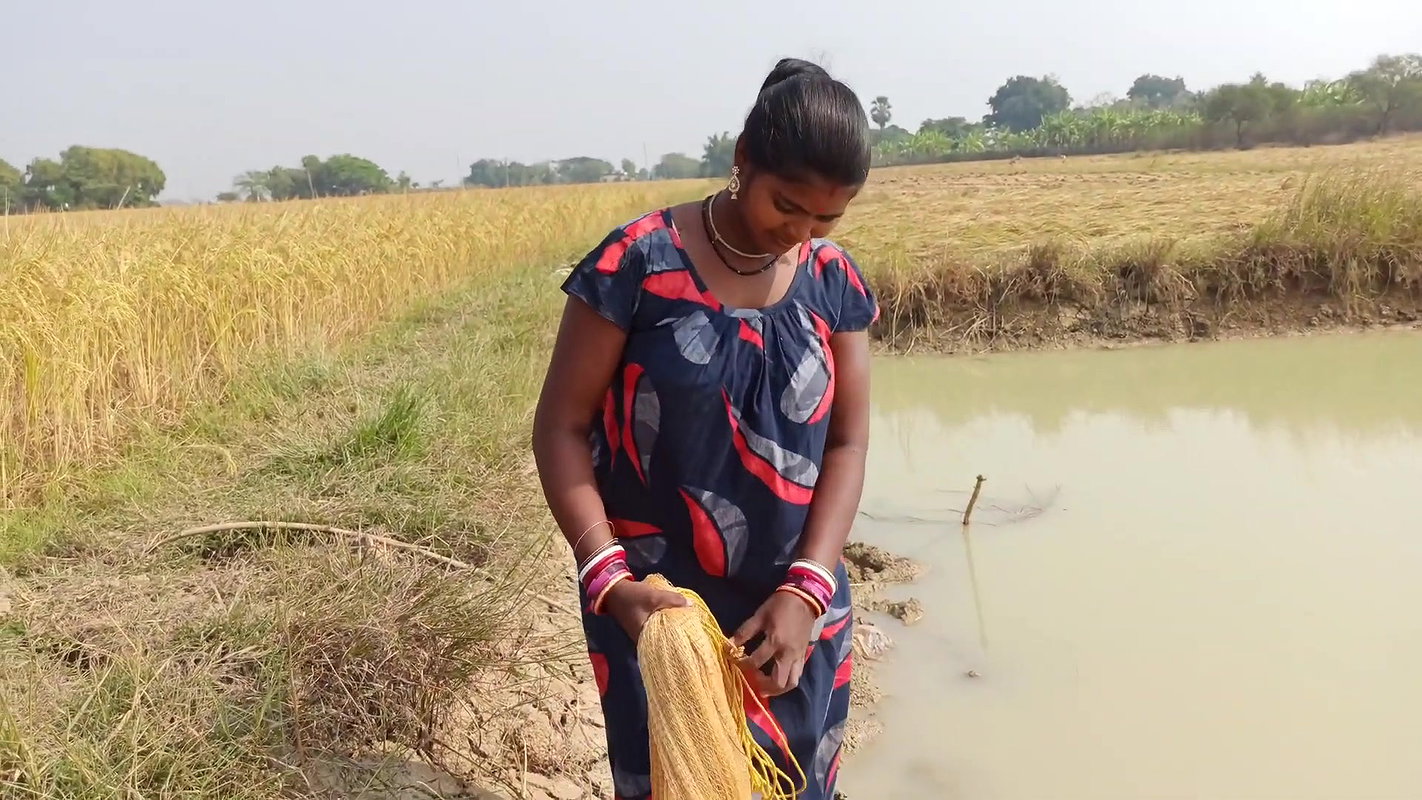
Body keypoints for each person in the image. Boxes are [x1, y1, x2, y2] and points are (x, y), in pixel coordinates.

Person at [531, 56, 878, 800]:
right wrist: (609, 581)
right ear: (743, 158)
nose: (800, 232)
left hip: (794, 607)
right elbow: (561, 428)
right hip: (656, 611)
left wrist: (808, 592)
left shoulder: (832, 279)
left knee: (793, 784)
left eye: (826, 218)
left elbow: (848, 442)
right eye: (787, 205)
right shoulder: (636, 263)